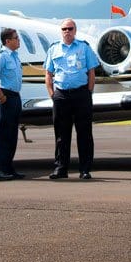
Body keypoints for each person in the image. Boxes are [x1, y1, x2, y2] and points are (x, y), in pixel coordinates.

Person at [44, 19, 99, 180]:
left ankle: (85, 169)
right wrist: (52, 95)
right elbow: (48, 74)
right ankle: (61, 168)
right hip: (61, 95)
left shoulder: (84, 47)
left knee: (84, 133)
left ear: (75, 30)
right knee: (61, 134)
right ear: (61, 31)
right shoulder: (53, 49)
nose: (67, 31)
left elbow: (91, 72)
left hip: (81, 94)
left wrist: (88, 92)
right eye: (64, 29)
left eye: (70, 28)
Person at [0, 27, 24, 181]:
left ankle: (8, 168)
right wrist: (1, 97)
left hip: (15, 96)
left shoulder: (15, 56)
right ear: (8, 41)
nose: (18, 40)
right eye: (16, 38)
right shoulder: (1, 56)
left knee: (12, 135)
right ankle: (0, 169)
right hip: (5, 96)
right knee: (3, 135)